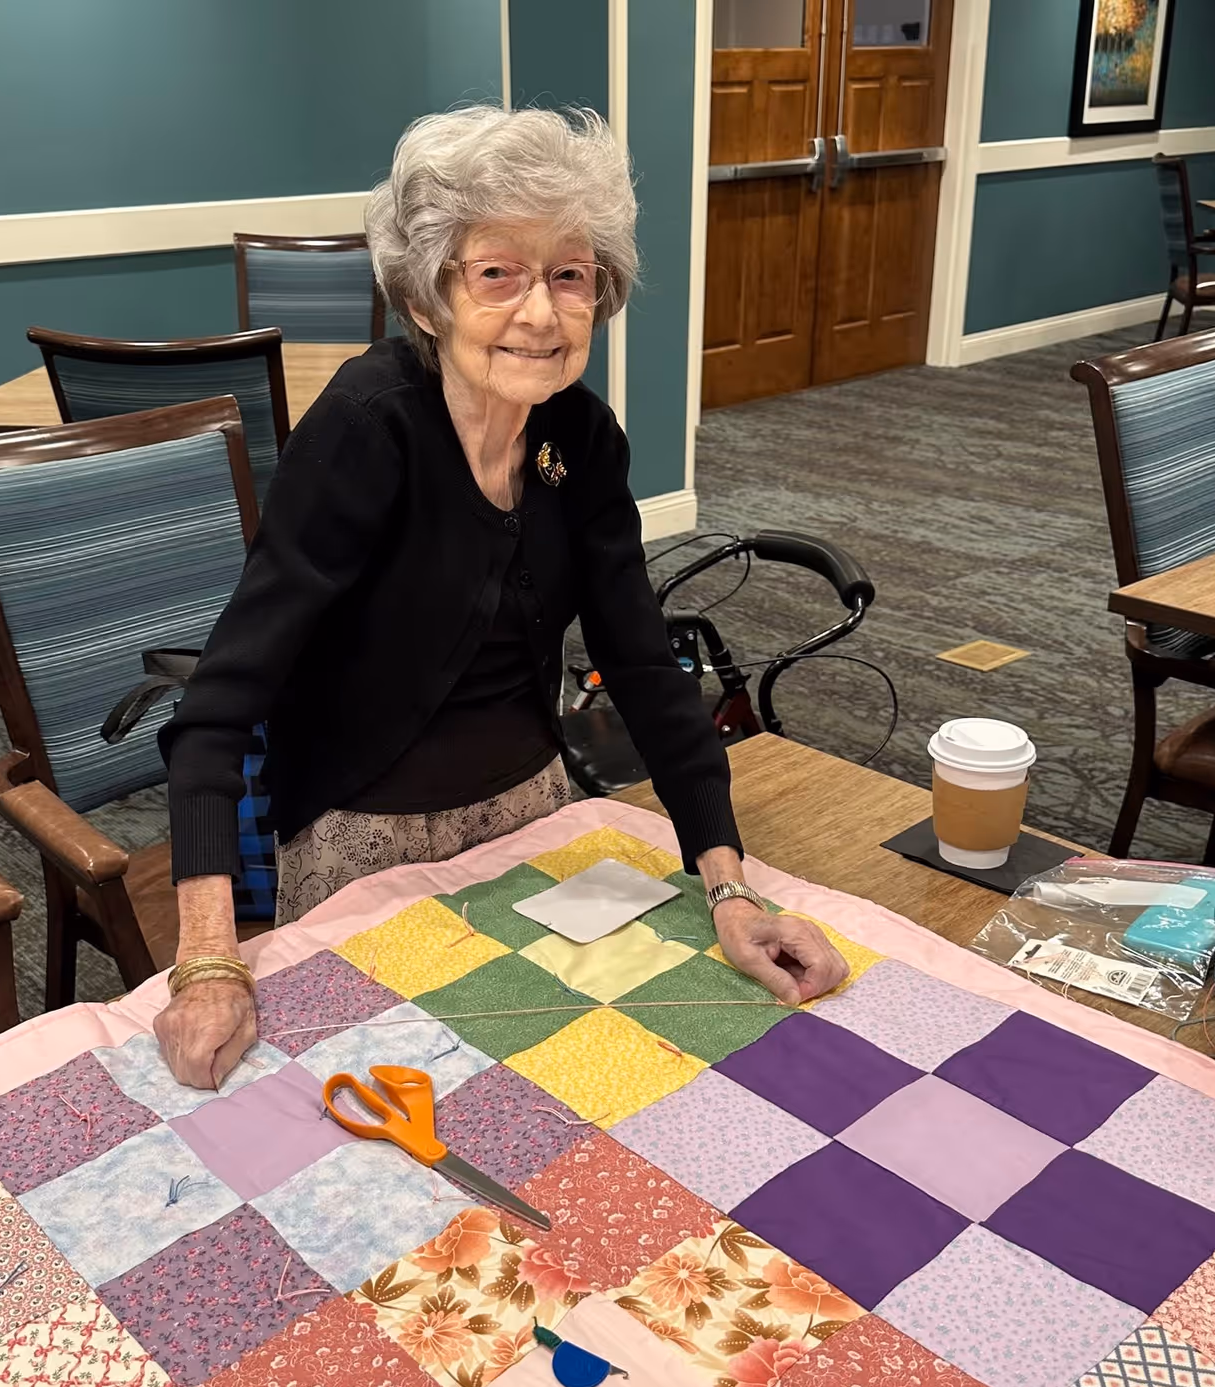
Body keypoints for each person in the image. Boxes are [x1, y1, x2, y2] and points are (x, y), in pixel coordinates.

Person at [156, 105, 847, 1088]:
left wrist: (730, 887)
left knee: (609, 1082)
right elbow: (215, 710)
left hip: (539, 812)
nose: (540, 313)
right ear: (430, 294)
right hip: (367, 835)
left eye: (569, 274)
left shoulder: (582, 436)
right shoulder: (367, 430)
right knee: (404, 1107)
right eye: (497, 273)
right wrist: (210, 963)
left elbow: (643, 663)